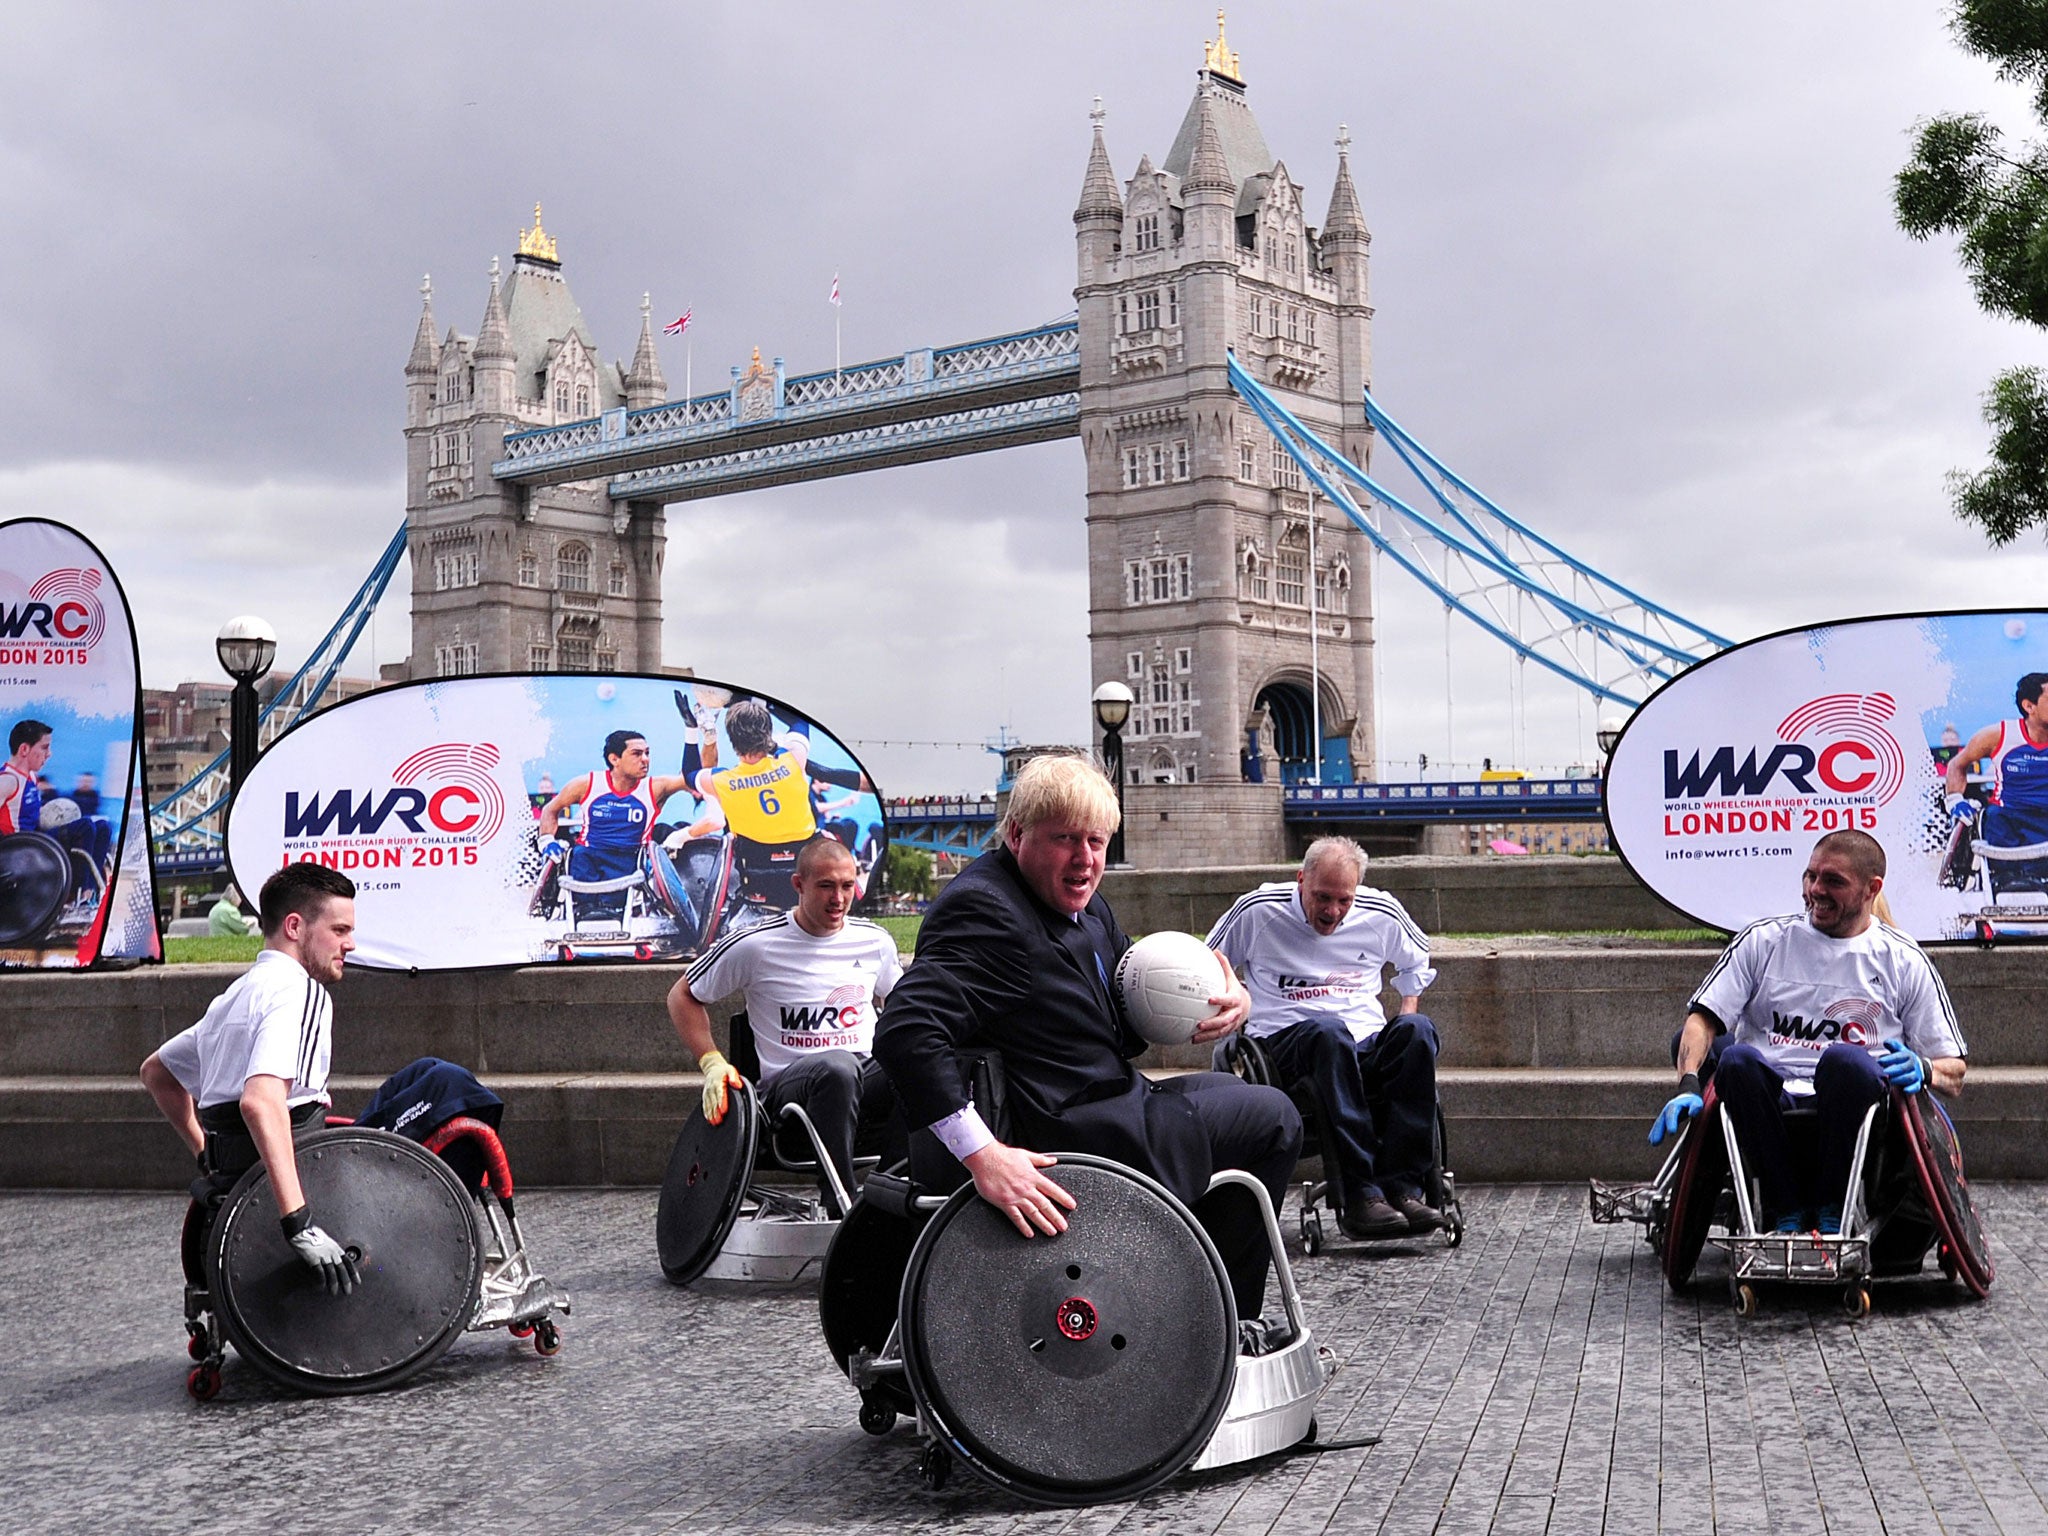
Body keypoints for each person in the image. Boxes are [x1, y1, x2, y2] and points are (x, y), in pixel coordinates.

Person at [873, 755, 1302, 1345]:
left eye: (1097, 841)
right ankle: (1217, 1332)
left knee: (1238, 1093)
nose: (1086, 860)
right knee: (1270, 1118)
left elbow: (1125, 996)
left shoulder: (1084, 904)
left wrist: (1229, 997)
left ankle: (1195, 1304)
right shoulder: (988, 911)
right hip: (1060, 1129)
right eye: (1065, 840)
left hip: (1100, 1098)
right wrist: (984, 1156)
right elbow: (904, 1030)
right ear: (1016, 835)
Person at [1650, 830, 1967, 1234]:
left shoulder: (1904, 959)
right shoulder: (1763, 941)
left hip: (1857, 1107)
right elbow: (1702, 1020)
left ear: (1872, 889)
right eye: (1810, 876)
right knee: (1736, 1059)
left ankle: (1832, 1207)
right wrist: (1689, 1084)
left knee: (1845, 1060)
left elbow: (1954, 1070)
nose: (1816, 890)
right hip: (1769, 1099)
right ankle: (1787, 1209)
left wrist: (1924, 1067)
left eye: (1833, 881)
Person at [138, 864, 363, 1294]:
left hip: (232, 1172)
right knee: (440, 1085)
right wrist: (298, 1222)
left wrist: (205, 1152)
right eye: (339, 930)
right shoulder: (301, 990)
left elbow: (156, 1072)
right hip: (307, 1170)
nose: (349, 944)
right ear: (295, 926)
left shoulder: (233, 997)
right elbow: (260, 1102)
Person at [1208, 836, 1445, 1240]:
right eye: (1322, 897)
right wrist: (1236, 1000)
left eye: (1343, 900)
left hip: (1362, 1041)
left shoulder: (1380, 911)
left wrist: (1407, 1009)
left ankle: (1405, 1187)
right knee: (1328, 1030)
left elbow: (1416, 961)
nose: (1332, 912)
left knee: (1418, 1032)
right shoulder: (1259, 910)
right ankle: (1360, 1194)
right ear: (1301, 880)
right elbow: (1209, 961)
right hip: (1285, 1044)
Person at [666, 836, 903, 1212]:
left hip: (864, 1079)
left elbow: (901, 1000)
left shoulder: (873, 941)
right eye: (826, 886)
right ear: (798, 885)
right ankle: (841, 1203)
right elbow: (683, 996)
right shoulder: (755, 945)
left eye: (846, 886)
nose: (838, 899)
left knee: (923, 1059)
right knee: (837, 1066)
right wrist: (711, 1062)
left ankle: (894, 1193)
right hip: (792, 1097)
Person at [689, 697, 871, 908]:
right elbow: (801, 721)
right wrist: (758, 700)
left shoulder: (723, 780)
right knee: (829, 842)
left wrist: (694, 731)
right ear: (767, 735)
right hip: (804, 878)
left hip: (758, 885)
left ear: (733, 742)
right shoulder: (793, 761)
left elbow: (692, 773)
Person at [535, 729, 697, 912]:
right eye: (637, 754)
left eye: (647, 753)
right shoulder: (586, 784)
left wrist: (699, 732)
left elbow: (697, 776)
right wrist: (546, 840)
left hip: (630, 860)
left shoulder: (655, 787)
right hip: (588, 860)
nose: (645, 759)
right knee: (578, 857)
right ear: (614, 759)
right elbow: (550, 809)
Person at [1945, 672, 2048, 848]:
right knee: (1994, 816)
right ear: (2029, 706)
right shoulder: (1997, 736)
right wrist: (1954, 799)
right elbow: (1957, 764)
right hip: (2010, 818)